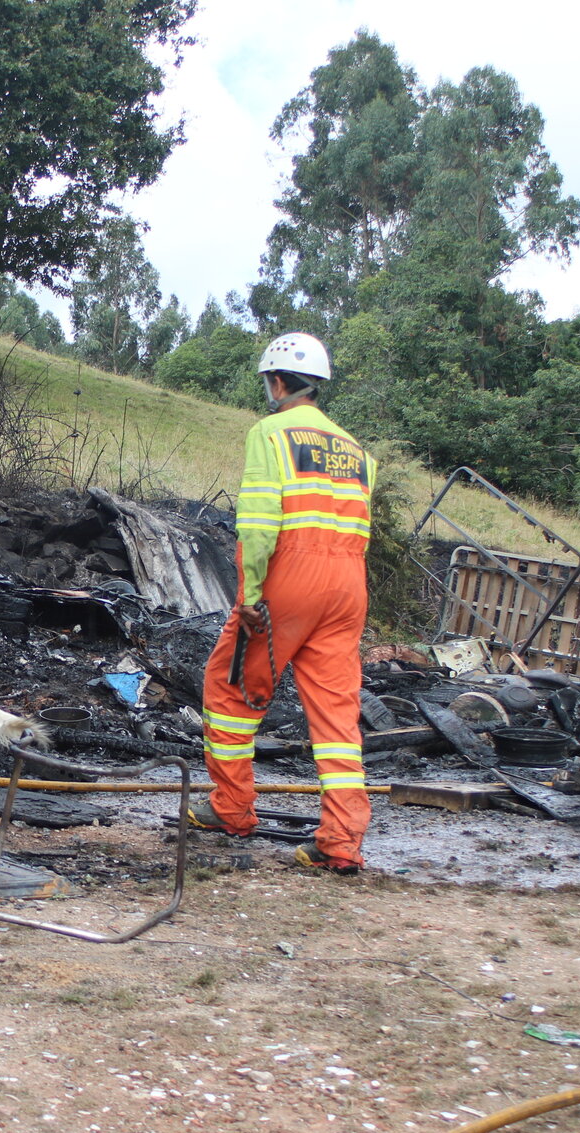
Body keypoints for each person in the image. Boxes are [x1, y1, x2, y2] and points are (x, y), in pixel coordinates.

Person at [192, 332, 376, 874]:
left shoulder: (269, 433)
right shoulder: (357, 450)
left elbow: (257, 521)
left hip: (290, 578)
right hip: (349, 584)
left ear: (276, 382)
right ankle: (341, 841)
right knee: (337, 714)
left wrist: (250, 595)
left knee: (230, 690)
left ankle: (231, 809)